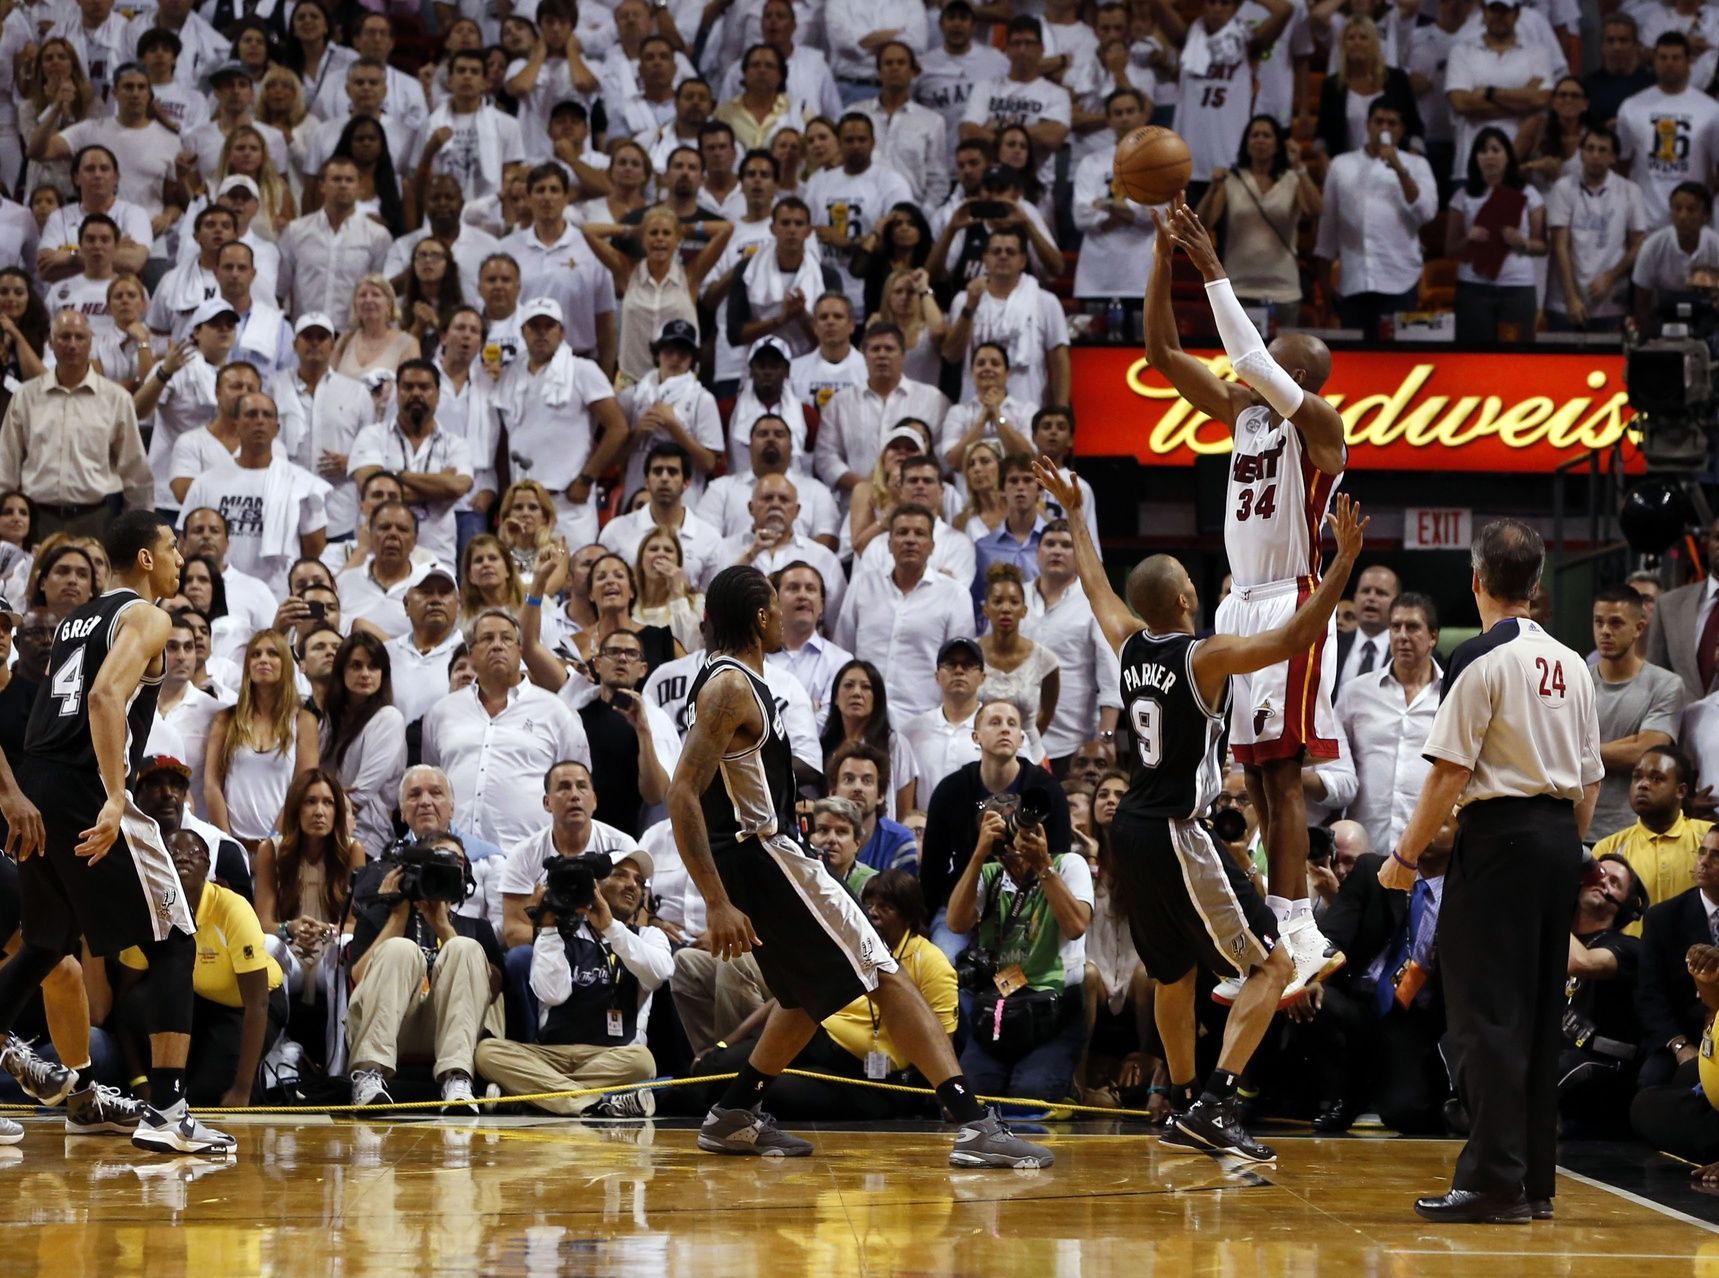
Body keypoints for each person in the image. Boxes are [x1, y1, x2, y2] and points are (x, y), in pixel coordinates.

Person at [1037, 454, 1365, 1160]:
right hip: (1176, 831)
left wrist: (1074, 513)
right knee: (1272, 969)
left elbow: (1094, 585)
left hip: (1129, 829)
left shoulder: (1128, 643)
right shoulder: (1202, 655)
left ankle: (1179, 1100)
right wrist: (1340, 565)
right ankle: (1215, 1104)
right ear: (1186, 597)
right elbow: (1292, 638)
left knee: (1172, 974)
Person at [668, 564, 1052, 1166]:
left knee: (802, 997)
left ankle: (735, 1115)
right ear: (761, 617)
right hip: (767, 856)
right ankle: (973, 1124)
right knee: (883, 971)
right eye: (775, 604)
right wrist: (716, 899)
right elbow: (682, 792)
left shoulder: (729, 682)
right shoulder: (729, 687)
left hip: (759, 858)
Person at [1149, 198, 1349, 998]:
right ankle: (1278, 925)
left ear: (1293, 374)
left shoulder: (1322, 428)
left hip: (1292, 604)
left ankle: (1297, 928)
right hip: (1241, 604)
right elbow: (1163, 352)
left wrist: (1213, 268)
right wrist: (1163, 260)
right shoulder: (1241, 414)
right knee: (1258, 779)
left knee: (1284, 774)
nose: (1250, 366)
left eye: (1271, 360)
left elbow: (1248, 357)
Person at [1380, 519, 1602, 1223]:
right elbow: (1590, 779)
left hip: (1500, 840)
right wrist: (1561, 852)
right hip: (1556, 841)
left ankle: (1491, 1182)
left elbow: (1448, 774)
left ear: (1475, 581)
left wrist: (1402, 858)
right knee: (1537, 1015)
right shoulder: (1572, 660)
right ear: (1535, 587)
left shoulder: (1478, 657)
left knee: (1485, 1019)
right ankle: (1533, 1181)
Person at [0, 509, 238, 1154]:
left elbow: (61, 700)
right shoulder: (148, 615)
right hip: (86, 785)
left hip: (42, 774)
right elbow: (106, 698)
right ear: (147, 559)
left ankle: (97, 1105)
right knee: (174, 938)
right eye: (171, 545)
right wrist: (112, 796)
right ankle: (168, 1110)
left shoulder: (79, 619)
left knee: (46, 942)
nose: (182, 556)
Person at [475, 846, 669, 1116]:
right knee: (487, 1052)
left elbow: (658, 974)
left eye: (638, 881)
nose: (631, 885)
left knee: (643, 1062)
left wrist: (611, 927)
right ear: (596, 885)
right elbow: (552, 994)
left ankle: (531, 1096)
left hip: (612, 1056)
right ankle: (595, 1102)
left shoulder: (648, 936)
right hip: (550, 1055)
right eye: (621, 875)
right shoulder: (560, 932)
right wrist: (548, 928)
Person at [113, 828, 284, 1107]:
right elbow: (124, 1004)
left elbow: (259, 1003)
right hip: (199, 1001)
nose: (183, 857)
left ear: (207, 865)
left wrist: (241, 1089)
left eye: (194, 852)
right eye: (173, 852)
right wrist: (137, 1079)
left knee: (208, 1094)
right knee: (140, 1002)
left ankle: (258, 1075)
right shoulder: (153, 911)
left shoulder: (233, 908)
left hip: (248, 1005)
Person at [345, 828, 505, 1111]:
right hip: (393, 1026)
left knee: (463, 948)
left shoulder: (477, 928)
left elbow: (491, 991)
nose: (447, 868)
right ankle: (369, 1073)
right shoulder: (378, 917)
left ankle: (458, 1078)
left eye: (456, 862)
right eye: (438, 861)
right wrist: (397, 916)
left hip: (451, 1030)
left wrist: (444, 927)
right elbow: (360, 979)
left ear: (466, 875)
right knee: (400, 949)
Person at [421, 609, 591, 850]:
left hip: (529, 857)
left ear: (520, 649)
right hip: (453, 857)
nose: (497, 646)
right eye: (488, 638)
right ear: (471, 652)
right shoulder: (441, 712)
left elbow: (579, 784)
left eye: (506, 638)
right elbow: (433, 781)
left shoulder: (557, 712)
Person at [0, 310, 150, 542]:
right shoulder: (25, 396)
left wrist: (139, 529)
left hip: (96, 516)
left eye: (80, 337)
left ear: (91, 342)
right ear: (51, 343)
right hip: (38, 516)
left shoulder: (116, 398)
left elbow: (135, 470)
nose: (72, 344)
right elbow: (5, 464)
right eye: (64, 336)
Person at [834, 505, 974, 726]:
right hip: (863, 718)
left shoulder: (955, 595)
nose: (910, 540)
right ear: (889, 544)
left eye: (919, 533)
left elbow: (959, 665)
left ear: (932, 546)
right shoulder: (863, 585)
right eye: (902, 532)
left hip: (923, 720)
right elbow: (843, 652)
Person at [1314, 98, 1440, 339]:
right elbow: (1327, 227)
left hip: (1400, 278)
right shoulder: (1342, 165)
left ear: (1401, 129)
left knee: (1397, 358)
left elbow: (1426, 213)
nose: (1384, 128)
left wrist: (1400, 169)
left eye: (1391, 123)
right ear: (1367, 125)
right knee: (1356, 359)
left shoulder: (1417, 164)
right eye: (1378, 121)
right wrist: (1324, 279)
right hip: (1354, 280)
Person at [1335, 593, 1443, 853]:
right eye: (1395, 627)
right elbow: (1335, 767)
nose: (1402, 635)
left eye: (1413, 627)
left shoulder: (1451, 696)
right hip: (1364, 846)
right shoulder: (1355, 692)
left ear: (1433, 637)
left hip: (1428, 848)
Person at [1589, 585, 1686, 841]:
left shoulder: (1665, 684)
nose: (1605, 631)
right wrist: (1628, 742)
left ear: (1639, 628)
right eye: (1599, 622)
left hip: (1633, 828)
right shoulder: (1577, 680)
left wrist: (1579, 747)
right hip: (1579, 822)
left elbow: (1645, 751)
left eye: (1616, 623)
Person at [1447, 127, 1547, 345]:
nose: (1489, 156)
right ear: (1475, 158)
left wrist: (1524, 243)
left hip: (1517, 286)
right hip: (1473, 286)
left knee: (1517, 357)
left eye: (1495, 149)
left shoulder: (1528, 192)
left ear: (1507, 156)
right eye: (1483, 151)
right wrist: (1469, 238)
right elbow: (1450, 249)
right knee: (1473, 355)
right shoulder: (1463, 195)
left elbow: (1542, 246)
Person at [1591, 746, 1710, 927]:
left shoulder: (1709, 838)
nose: (1643, 784)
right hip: (1632, 953)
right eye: (1637, 777)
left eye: (1657, 778)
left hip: (1700, 953)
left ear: (1681, 791)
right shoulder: (1607, 849)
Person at [1546, 127, 1647, 333]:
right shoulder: (1563, 188)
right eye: (1590, 148)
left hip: (1611, 300)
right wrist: (1571, 298)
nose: (1595, 155)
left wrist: (1610, 277)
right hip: (1564, 301)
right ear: (1580, 153)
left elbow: (1638, 243)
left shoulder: (1630, 191)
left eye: (1602, 150)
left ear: (1613, 158)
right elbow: (1560, 246)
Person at [1617, 32, 1719, 231]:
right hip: (1645, 220)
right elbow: (1622, 163)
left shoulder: (1711, 110)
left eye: (1676, 57)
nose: (1669, 63)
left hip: (1694, 222)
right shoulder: (1631, 107)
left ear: (1688, 61)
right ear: (1654, 61)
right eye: (1663, 57)